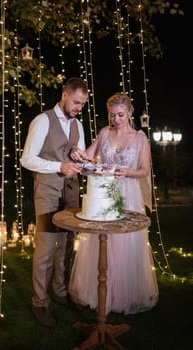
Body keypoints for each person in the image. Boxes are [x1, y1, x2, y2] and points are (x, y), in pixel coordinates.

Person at [69, 92, 159, 315]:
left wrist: (128, 172)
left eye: (120, 115)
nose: (116, 120)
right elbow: (89, 156)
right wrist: (78, 153)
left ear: (129, 113)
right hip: (104, 194)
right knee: (102, 242)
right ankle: (98, 292)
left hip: (128, 194)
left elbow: (145, 170)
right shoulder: (104, 133)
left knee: (125, 244)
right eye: (112, 115)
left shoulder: (139, 138)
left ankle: (124, 296)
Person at [20, 77, 88, 327]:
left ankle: (60, 293)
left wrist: (79, 157)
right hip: (47, 190)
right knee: (47, 247)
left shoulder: (78, 125)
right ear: (64, 95)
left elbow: (77, 156)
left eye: (83, 104)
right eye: (77, 102)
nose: (79, 108)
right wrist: (59, 165)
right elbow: (27, 159)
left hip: (70, 190)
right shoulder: (42, 120)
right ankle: (40, 302)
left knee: (68, 245)